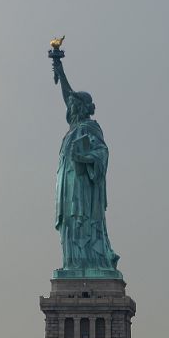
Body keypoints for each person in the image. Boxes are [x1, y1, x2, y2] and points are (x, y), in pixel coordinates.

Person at [51, 53, 120, 275]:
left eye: (73, 105)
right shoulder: (73, 128)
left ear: (80, 108)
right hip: (69, 185)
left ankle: (91, 261)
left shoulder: (90, 129)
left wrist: (84, 158)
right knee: (71, 224)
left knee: (83, 222)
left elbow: (102, 153)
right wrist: (59, 69)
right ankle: (73, 264)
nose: (68, 107)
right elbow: (67, 95)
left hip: (84, 187)